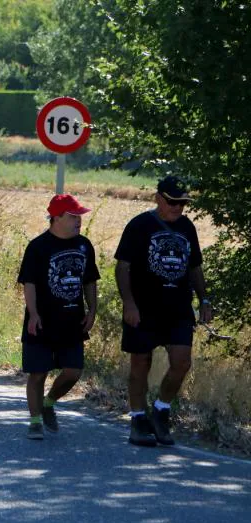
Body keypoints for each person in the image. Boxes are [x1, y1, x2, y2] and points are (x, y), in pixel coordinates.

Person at [115, 176, 212, 447]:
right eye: (172, 201)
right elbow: (123, 267)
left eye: (182, 202)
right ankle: (137, 420)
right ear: (158, 198)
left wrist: (204, 300)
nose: (178, 207)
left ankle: (161, 410)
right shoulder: (139, 225)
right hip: (143, 308)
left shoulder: (186, 227)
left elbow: (194, 267)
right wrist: (129, 304)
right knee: (140, 364)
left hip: (178, 307)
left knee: (182, 362)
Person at [19, 194, 99, 440]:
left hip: (72, 320)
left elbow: (89, 281)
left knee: (73, 371)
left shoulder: (84, 245)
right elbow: (29, 283)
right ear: (56, 218)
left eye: (79, 216)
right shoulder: (38, 246)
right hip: (42, 320)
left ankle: (49, 403)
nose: (79, 221)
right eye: (73, 216)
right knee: (38, 373)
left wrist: (92, 310)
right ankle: (34, 421)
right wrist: (33, 314)